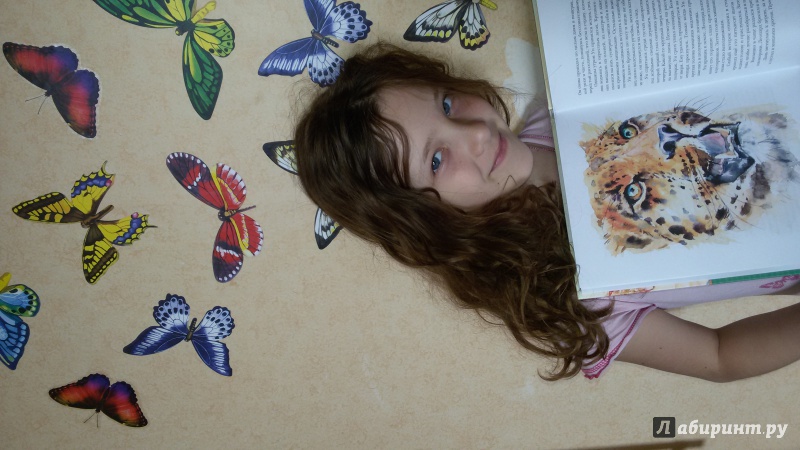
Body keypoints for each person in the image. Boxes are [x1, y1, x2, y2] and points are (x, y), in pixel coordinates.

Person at [293, 42, 800, 382]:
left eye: (447, 104)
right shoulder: (554, 297)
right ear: (421, 220)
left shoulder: (564, 104)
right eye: (437, 160)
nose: (476, 133)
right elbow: (718, 357)